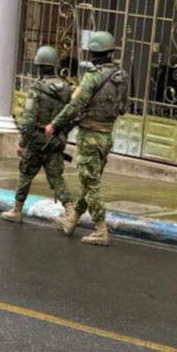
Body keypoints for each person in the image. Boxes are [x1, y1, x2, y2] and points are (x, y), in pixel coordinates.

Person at [46, 31, 128, 246]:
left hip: (90, 136)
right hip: (106, 136)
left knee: (91, 185)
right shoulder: (121, 77)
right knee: (89, 181)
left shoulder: (93, 77)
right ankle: (72, 219)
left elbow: (74, 106)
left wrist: (54, 125)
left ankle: (101, 229)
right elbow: (124, 109)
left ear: (94, 53)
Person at [1, 46, 73, 223]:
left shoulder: (37, 89)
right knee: (56, 177)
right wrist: (61, 135)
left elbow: (28, 120)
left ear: (39, 66)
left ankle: (17, 209)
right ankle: (70, 211)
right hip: (55, 140)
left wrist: (22, 142)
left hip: (37, 140)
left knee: (26, 174)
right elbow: (71, 115)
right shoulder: (66, 89)